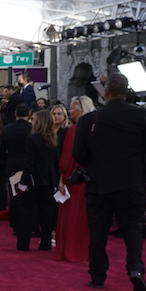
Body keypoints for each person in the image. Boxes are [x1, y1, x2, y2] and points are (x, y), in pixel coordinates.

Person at [72, 73, 146, 291]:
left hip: (99, 185)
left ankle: (97, 276)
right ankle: (136, 269)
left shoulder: (89, 120)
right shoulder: (141, 116)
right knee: (133, 228)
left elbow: (78, 155)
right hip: (132, 183)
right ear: (127, 91)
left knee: (98, 232)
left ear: (106, 92)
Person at [55, 97, 94, 263]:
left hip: (75, 179)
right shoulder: (97, 129)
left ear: (80, 109)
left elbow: (67, 159)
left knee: (72, 216)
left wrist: (63, 178)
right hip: (94, 179)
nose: (70, 112)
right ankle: (85, 249)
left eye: (72, 108)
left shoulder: (74, 131)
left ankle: (71, 248)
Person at [17, 110, 59, 251]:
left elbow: (28, 163)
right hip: (49, 180)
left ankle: (23, 243)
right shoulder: (54, 138)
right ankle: (46, 242)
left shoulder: (32, 139)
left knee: (27, 211)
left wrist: (23, 182)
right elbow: (55, 163)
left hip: (34, 179)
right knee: (46, 212)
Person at [0, 103, 33, 235]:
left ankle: (16, 224)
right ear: (28, 114)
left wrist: (8, 159)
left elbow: (0, 150)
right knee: (30, 196)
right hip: (30, 165)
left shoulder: (7, 129)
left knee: (14, 195)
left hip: (12, 164)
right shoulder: (33, 128)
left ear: (15, 114)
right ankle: (30, 224)